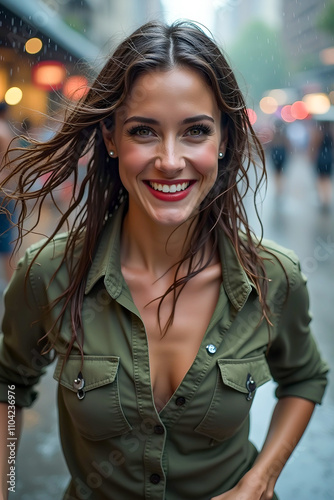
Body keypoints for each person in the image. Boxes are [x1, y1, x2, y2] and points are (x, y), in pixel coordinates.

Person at [0, 21, 328, 500]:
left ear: (223, 139)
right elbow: (9, 384)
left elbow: (305, 377)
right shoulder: (49, 273)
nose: (170, 160)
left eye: (195, 131)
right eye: (144, 131)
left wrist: (260, 481)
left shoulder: (272, 277)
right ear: (111, 138)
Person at [0, 101, 16, 288]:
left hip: (3, 189)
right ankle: (11, 283)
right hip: (5, 189)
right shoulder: (6, 131)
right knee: (7, 238)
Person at [310, 120, 333, 212]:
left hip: (321, 157)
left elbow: (314, 145)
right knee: (327, 178)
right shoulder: (331, 133)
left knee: (320, 178)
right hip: (329, 157)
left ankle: (322, 198)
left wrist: (312, 156)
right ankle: (327, 198)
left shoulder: (318, 133)